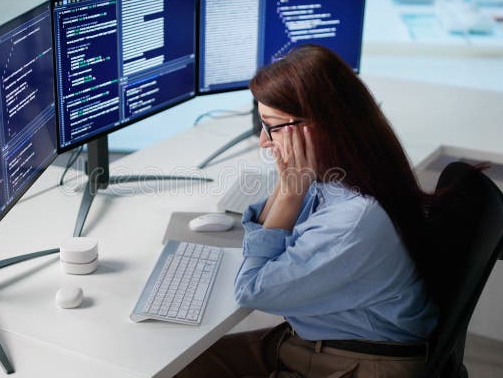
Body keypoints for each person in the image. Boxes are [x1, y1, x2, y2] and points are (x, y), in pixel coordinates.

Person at [177, 45, 439, 378]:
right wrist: (290, 182)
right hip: (328, 340)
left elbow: (252, 290)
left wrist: (288, 195)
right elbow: (280, 242)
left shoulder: (352, 220)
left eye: (271, 126)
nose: (263, 141)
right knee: (183, 365)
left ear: (314, 127)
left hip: (359, 361)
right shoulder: (351, 169)